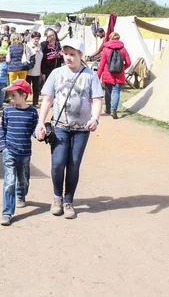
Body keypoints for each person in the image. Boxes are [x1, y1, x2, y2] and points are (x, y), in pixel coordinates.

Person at [36, 38, 103, 219]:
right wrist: (40, 123)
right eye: (65, 54)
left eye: (72, 54)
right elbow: (48, 99)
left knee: (73, 165)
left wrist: (95, 120)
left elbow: (97, 100)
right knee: (58, 163)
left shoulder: (90, 75)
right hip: (60, 127)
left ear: (81, 55)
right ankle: (57, 197)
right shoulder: (56, 73)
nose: (68, 57)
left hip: (82, 129)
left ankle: (68, 201)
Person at [0, 80, 38, 226]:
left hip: (25, 152)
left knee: (23, 179)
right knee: (9, 181)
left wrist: (40, 133)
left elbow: (34, 129)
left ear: (23, 95)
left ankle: (21, 194)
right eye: (10, 95)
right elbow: (3, 129)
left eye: (14, 95)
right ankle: (7, 213)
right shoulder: (7, 111)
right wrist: (3, 147)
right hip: (9, 151)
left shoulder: (32, 112)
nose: (11, 98)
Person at [97, 32, 131, 119]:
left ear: (110, 38)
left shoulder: (105, 49)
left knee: (108, 92)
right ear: (118, 38)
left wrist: (98, 76)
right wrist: (122, 68)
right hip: (119, 75)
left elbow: (101, 64)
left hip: (108, 74)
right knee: (116, 92)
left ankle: (108, 109)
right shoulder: (123, 49)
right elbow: (128, 63)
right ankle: (114, 110)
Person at [26, 31, 43, 107]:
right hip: (29, 71)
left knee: (36, 88)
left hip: (37, 70)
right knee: (26, 87)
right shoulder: (27, 46)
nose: (37, 40)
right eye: (35, 38)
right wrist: (33, 52)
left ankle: (35, 102)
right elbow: (26, 56)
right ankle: (23, 101)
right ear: (32, 38)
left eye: (38, 39)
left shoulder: (40, 46)